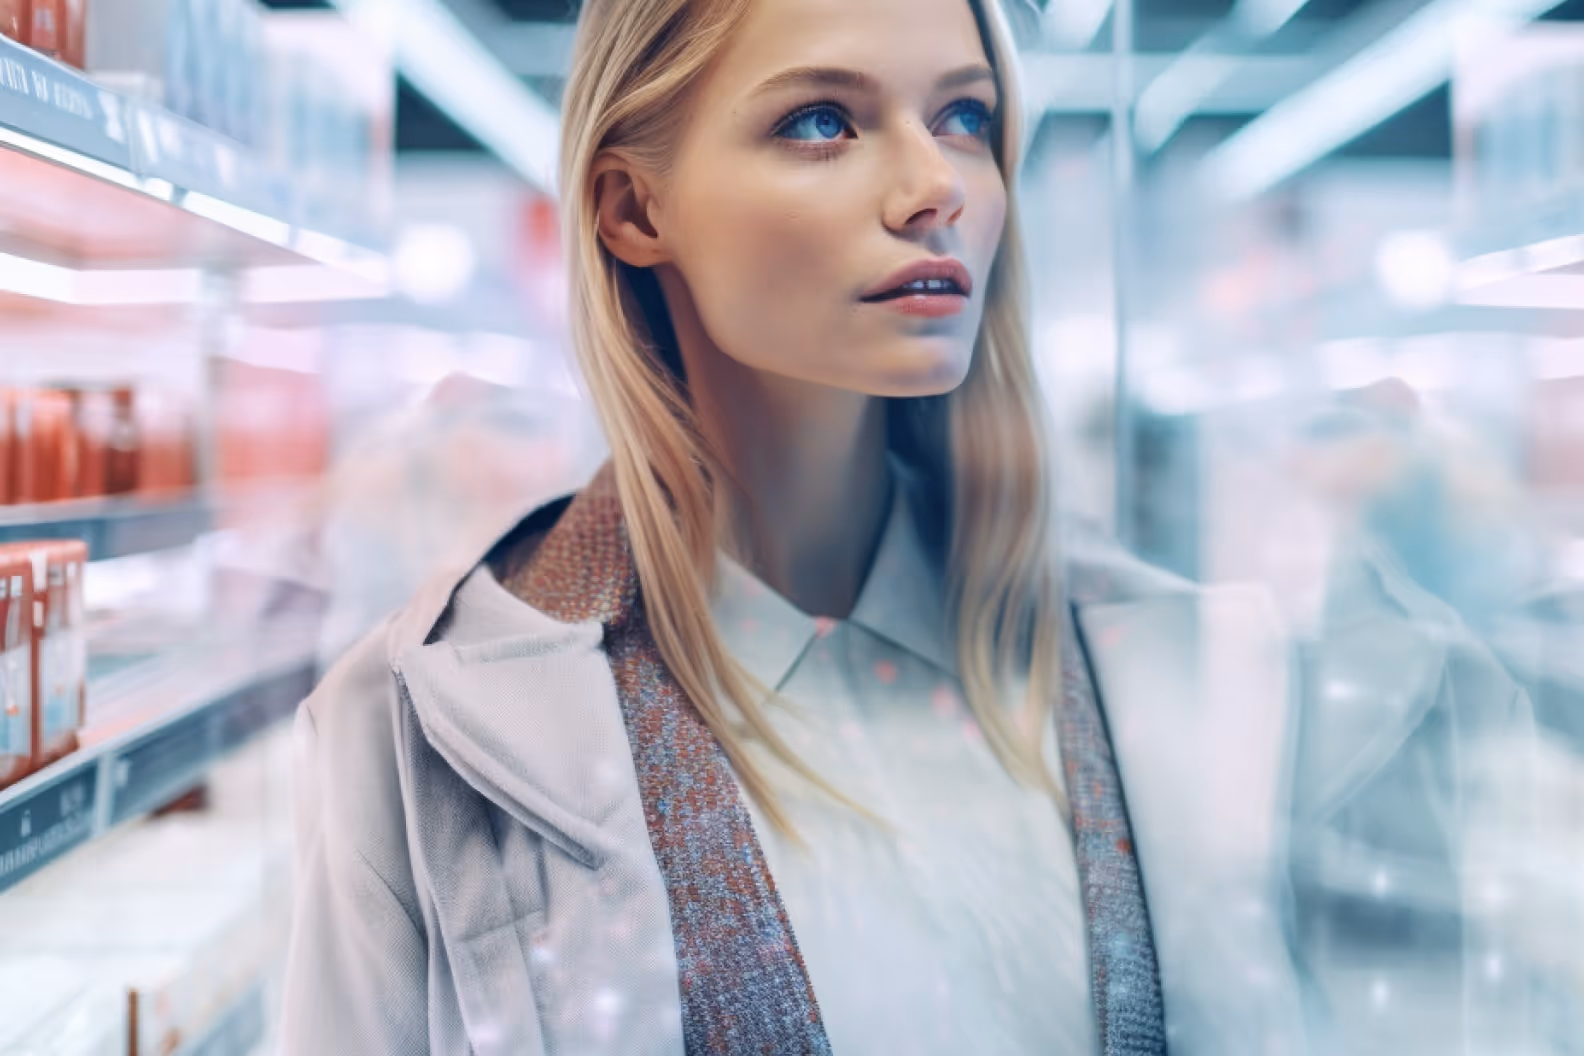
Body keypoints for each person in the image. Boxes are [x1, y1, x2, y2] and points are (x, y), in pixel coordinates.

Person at [279, 0, 1537, 1052]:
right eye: (821, 121)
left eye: (966, 118)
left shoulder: (1195, 671)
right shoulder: (414, 731)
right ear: (632, 210)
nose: (936, 186)